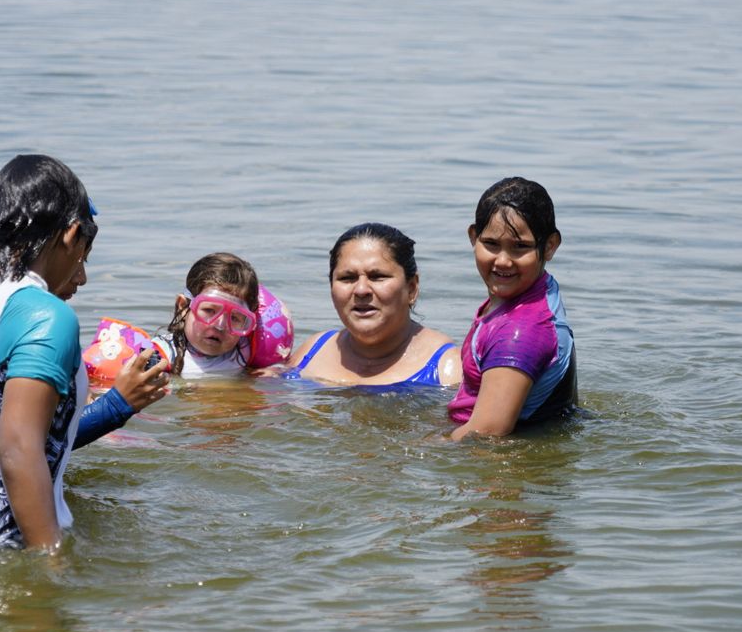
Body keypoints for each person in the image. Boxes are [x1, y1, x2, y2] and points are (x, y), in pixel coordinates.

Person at [0, 154, 168, 551]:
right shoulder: (49, 316)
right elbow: (19, 447)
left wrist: (117, 405)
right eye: (84, 256)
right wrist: (49, 566)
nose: (83, 275)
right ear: (72, 234)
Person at [448, 177, 576, 440]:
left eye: (520, 247)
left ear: (549, 246)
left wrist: (417, 451)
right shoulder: (533, 292)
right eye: (491, 244)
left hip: (504, 468)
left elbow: (486, 433)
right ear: (473, 237)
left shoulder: (520, 332)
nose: (503, 261)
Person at [284, 223, 460, 387]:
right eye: (347, 278)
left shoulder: (448, 369)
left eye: (377, 277)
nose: (361, 290)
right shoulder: (312, 352)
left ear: (412, 288)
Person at [151, 252, 262, 377]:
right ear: (183, 306)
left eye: (234, 318)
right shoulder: (162, 354)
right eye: (209, 310)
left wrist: (274, 371)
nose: (220, 326)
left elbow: (286, 363)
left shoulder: (246, 350)